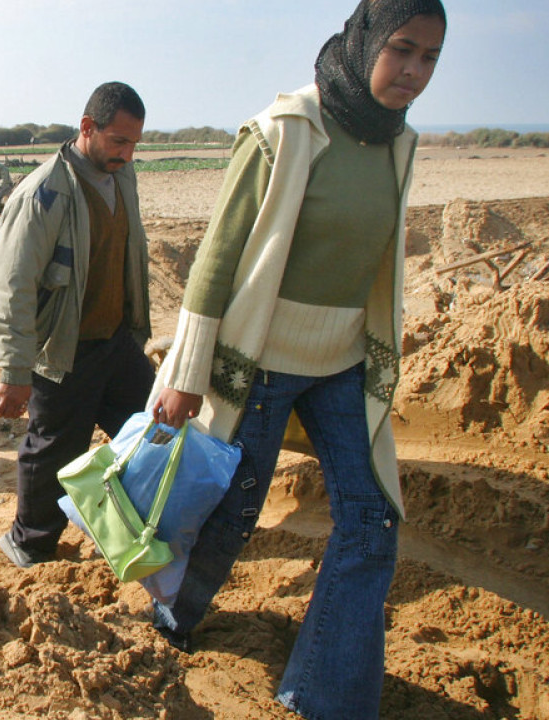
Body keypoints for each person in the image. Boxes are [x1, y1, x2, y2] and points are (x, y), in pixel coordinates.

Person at [148, 3, 446, 717]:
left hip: (345, 361)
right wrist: (187, 376)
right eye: (402, 49)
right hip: (263, 361)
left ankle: (326, 696)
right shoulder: (287, 129)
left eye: (431, 58)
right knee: (231, 509)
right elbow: (217, 258)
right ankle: (170, 621)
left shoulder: (399, 144)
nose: (414, 71)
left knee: (372, 517)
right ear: (364, 41)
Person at [0, 81, 153, 568]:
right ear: (87, 128)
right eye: (118, 141)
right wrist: (14, 371)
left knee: (149, 435)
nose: (127, 153)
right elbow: (11, 287)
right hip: (64, 350)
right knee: (55, 450)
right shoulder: (43, 194)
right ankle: (29, 546)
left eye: (134, 144)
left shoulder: (123, 178)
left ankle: (137, 530)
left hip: (117, 343)